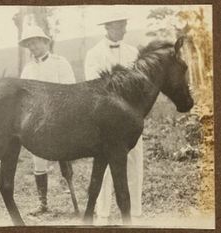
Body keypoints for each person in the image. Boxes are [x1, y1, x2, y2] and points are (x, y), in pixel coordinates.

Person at [84, 11, 144, 225]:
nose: (125, 29)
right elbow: (94, 88)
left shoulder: (134, 52)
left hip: (131, 121)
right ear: (108, 27)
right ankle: (103, 214)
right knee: (104, 166)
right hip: (106, 123)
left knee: (135, 164)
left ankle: (134, 214)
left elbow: (141, 86)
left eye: (125, 25)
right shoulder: (93, 54)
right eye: (120, 25)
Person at [19, 25, 76, 215]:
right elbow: (23, 95)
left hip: (60, 119)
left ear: (45, 42)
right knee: (38, 161)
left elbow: (71, 91)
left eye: (35, 43)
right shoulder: (27, 69)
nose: (32, 47)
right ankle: (43, 204)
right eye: (29, 45)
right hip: (37, 122)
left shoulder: (61, 63)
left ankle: (75, 201)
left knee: (64, 157)